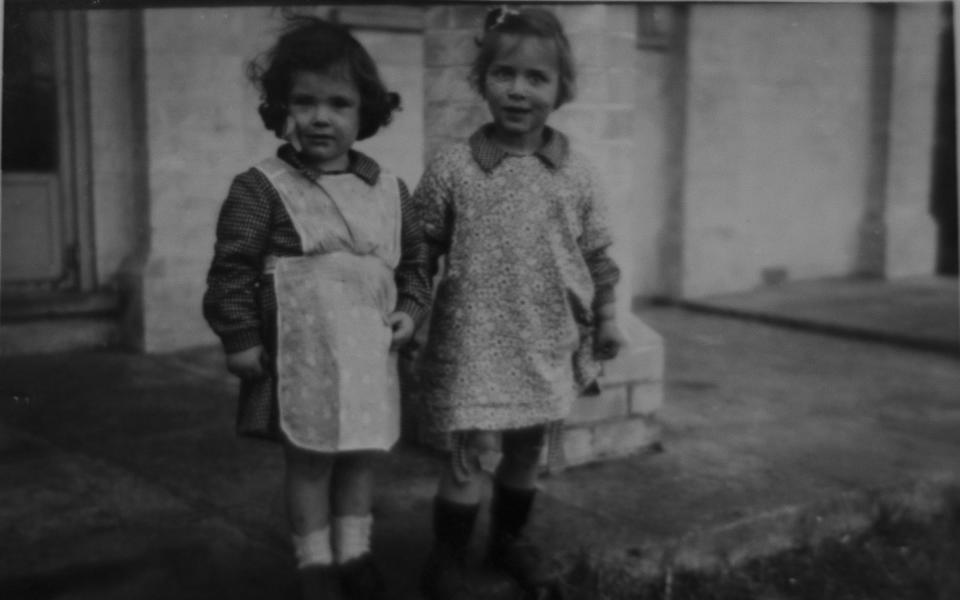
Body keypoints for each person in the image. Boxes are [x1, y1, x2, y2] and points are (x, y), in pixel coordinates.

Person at [202, 16, 430, 600]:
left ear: (365, 113)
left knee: (357, 455)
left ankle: (354, 554)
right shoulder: (262, 187)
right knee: (309, 461)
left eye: (339, 103)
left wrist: (410, 308)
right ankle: (315, 564)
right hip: (301, 359)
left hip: (366, 357)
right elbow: (231, 270)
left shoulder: (390, 190)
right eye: (304, 102)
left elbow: (414, 266)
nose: (321, 117)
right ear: (281, 108)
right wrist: (240, 337)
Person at [412, 6, 626, 598]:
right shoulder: (455, 167)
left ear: (561, 90)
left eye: (537, 78)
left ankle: (508, 541)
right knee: (465, 457)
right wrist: (412, 315)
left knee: (526, 450)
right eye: (504, 73)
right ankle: (448, 555)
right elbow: (421, 248)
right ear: (483, 80)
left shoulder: (577, 172)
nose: (518, 89)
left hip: (544, 336)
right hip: (472, 339)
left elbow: (598, 256)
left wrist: (606, 316)